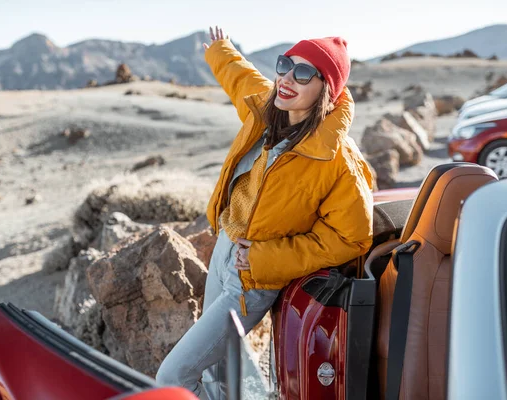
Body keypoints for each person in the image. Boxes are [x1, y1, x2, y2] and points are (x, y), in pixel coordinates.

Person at [156, 25, 374, 399]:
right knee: (219, 375)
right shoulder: (268, 109)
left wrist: (263, 258)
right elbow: (241, 79)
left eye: (303, 73)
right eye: (285, 64)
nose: (287, 79)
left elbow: (351, 238)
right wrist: (220, 51)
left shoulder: (337, 159)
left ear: (327, 88)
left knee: (173, 375)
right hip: (226, 250)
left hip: (254, 277)